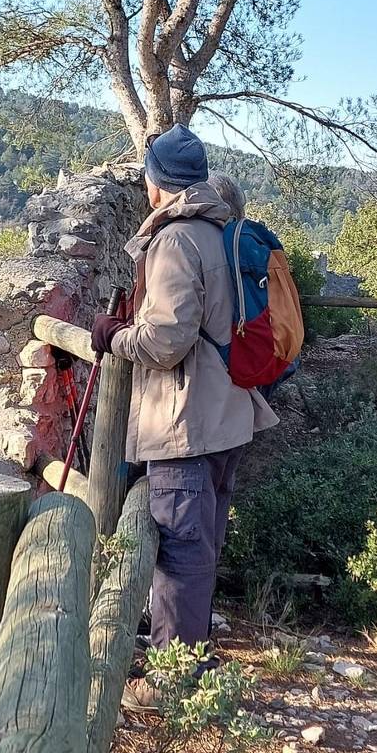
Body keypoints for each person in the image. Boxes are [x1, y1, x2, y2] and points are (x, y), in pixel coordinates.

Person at [91, 124, 278, 710]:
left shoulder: (175, 242)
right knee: (202, 540)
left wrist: (116, 337)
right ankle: (186, 647)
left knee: (178, 548)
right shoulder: (222, 228)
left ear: (156, 183)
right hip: (229, 413)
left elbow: (165, 341)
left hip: (186, 421)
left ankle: (174, 679)